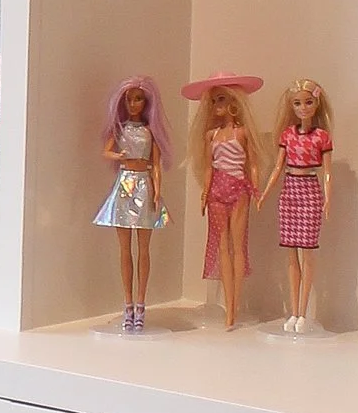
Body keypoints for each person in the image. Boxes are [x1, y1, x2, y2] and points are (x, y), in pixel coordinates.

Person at [184, 75, 262, 329]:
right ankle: (229, 308)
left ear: (235, 102)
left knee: (238, 246)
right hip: (217, 190)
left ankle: (234, 307)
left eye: (222, 99)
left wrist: (256, 188)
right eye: (215, 100)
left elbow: (252, 163)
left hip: (239, 190)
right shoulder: (211, 135)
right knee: (222, 247)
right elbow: (208, 167)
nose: (218, 105)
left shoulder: (243, 132)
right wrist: (205, 192)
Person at [93, 79, 170, 332]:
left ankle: (141, 303)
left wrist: (158, 190)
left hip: (144, 184)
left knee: (144, 250)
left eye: (138, 99)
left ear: (146, 103)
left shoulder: (150, 132)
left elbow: (156, 164)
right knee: (125, 250)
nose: (134, 103)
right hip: (125, 185)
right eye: (130, 99)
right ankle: (127, 304)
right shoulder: (120, 129)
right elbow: (106, 151)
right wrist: (117, 155)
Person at [261, 78, 334, 330]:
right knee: (291, 256)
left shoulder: (322, 137)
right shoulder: (288, 135)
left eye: (308, 102)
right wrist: (265, 193)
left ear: (317, 104)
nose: (303, 108)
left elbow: (327, 172)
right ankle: (293, 313)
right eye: (297, 103)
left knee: (308, 256)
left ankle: (303, 312)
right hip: (290, 190)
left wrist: (327, 197)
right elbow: (278, 167)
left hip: (310, 190)